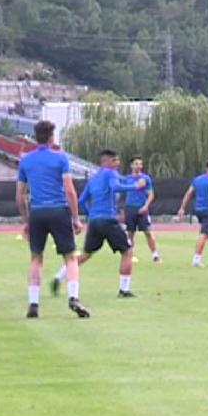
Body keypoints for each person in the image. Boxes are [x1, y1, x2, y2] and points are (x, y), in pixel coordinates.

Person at [17, 120, 87, 319]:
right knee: (70, 257)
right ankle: (73, 297)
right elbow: (70, 191)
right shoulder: (60, 158)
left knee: (36, 258)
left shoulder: (25, 160)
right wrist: (75, 217)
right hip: (58, 210)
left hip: (37, 212)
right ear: (51, 137)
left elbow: (20, 195)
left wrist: (26, 221)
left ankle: (33, 302)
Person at [69, 150, 147, 298]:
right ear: (107, 162)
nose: (117, 163)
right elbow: (116, 186)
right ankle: (124, 290)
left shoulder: (93, 179)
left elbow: (81, 201)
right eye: (115, 161)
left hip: (94, 221)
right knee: (128, 251)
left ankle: (61, 275)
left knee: (86, 254)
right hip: (108, 220)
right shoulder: (110, 173)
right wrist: (136, 186)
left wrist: (90, 213)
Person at [122, 156, 161, 264]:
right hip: (130, 208)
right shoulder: (127, 179)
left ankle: (155, 255)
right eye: (136, 164)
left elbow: (151, 194)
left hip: (142, 208)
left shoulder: (145, 178)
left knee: (148, 231)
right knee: (130, 233)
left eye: (140, 164)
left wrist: (146, 206)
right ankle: (131, 255)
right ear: (131, 165)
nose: (138, 166)